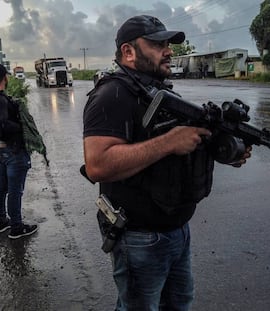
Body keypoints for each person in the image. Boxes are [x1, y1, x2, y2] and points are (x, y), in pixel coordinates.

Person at [82, 15, 251, 310]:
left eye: (169, 44)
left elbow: (176, 145)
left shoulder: (157, 91)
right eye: (158, 44)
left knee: (179, 304)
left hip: (176, 230)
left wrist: (224, 152)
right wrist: (170, 141)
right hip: (138, 238)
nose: (169, 50)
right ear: (128, 51)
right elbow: (98, 164)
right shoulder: (112, 94)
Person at [0, 63, 38, 239]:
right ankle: (16, 227)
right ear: (5, 77)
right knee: (15, 190)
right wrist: (22, 126)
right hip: (12, 150)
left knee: (3, 185)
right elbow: (3, 125)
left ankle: (1, 221)